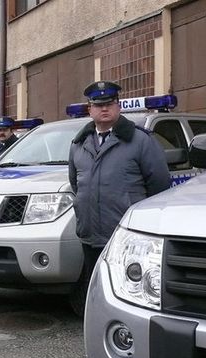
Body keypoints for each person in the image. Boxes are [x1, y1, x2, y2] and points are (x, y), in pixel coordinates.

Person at [68, 80, 170, 310]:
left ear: (119, 106)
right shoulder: (79, 144)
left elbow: (159, 187)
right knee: (94, 290)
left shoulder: (140, 140)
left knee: (129, 294)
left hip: (127, 235)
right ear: (90, 109)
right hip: (91, 235)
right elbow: (76, 183)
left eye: (110, 103)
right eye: (98, 104)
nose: (104, 109)